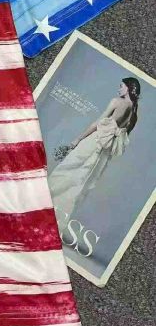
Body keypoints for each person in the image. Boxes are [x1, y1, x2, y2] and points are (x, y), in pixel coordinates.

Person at [48, 77, 141, 225]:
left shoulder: (117, 102)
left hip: (95, 141)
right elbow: (122, 136)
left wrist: (78, 139)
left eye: (121, 86)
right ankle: (57, 217)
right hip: (105, 150)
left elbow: (97, 123)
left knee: (67, 169)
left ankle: (42, 203)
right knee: (82, 181)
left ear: (129, 88)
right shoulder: (134, 115)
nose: (119, 89)